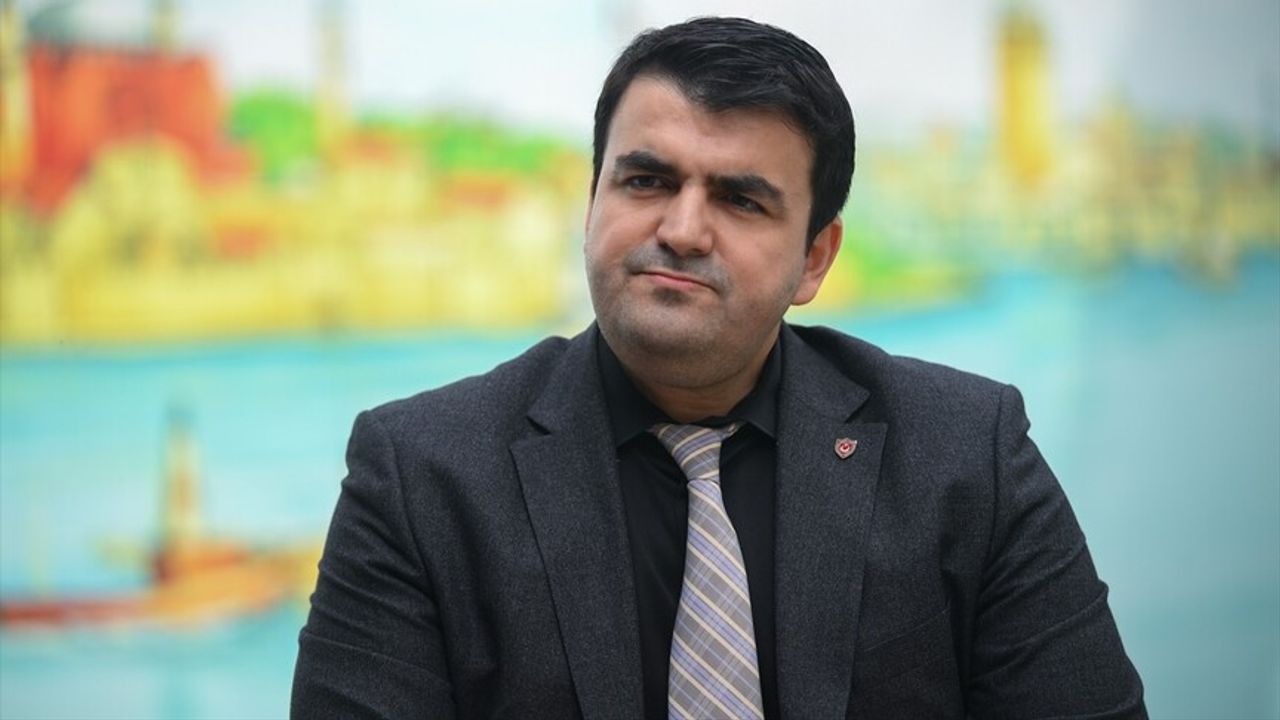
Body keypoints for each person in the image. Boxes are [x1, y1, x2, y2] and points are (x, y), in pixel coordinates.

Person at [292, 16, 1145, 719]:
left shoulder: (965, 456)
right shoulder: (420, 476)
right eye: (646, 181)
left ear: (815, 259)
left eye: (740, 199)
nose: (682, 230)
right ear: (591, 206)